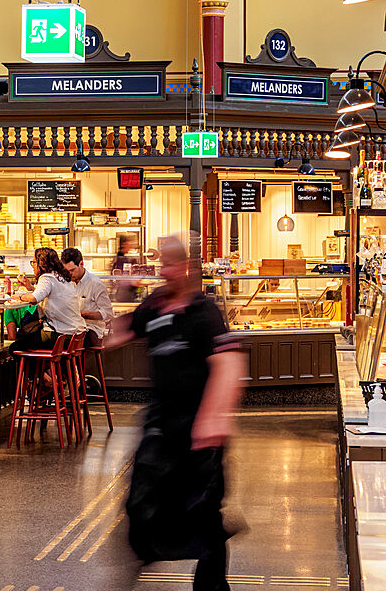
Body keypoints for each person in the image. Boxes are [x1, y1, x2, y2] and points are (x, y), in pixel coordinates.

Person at [106, 235, 245, 591]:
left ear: (185, 266)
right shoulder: (153, 306)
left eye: (170, 263)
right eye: (160, 263)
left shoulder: (205, 311)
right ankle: (148, 553)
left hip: (200, 424)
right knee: (141, 501)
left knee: (201, 508)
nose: (165, 271)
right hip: (161, 421)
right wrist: (120, 292)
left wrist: (213, 418)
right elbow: (115, 337)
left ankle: (211, 584)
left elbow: (229, 364)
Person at [12, 247, 86, 353]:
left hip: (61, 335)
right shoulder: (61, 277)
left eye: (34, 262)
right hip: (75, 334)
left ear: (41, 264)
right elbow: (50, 294)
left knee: (16, 347)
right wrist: (31, 289)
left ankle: (40, 369)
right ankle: (48, 368)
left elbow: (34, 298)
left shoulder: (46, 278)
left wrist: (19, 296)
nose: (33, 266)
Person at [60, 247, 113, 347]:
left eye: (72, 270)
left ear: (81, 264)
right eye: (66, 271)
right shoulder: (66, 283)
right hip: (71, 328)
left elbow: (108, 314)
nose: (69, 274)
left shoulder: (95, 284)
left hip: (91, 331)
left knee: (61, 344)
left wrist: (82, 314)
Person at [113, 234, 138, 303]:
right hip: (124, 293)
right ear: (124, 244)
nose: (131, 245)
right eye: (129, 242)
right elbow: (122, 279)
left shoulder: (125, 258)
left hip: (126, 292)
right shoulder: (121, 259)